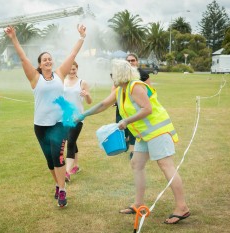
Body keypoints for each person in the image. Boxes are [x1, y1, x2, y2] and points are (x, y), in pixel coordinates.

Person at [77, 59, 190, 224]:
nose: (111, 77)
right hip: (144, 134)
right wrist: (83, 115)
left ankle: (182, 207)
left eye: (112, 74)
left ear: (120, 75)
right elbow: (102, 104)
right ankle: (138, 203)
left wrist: (127, 121)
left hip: (158, 131)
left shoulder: (135, 86)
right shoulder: (120, 90)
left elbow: (147, 109)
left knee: (166, 166)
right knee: (136, 164)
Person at [4, 24, 86, 208]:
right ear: (40, 64)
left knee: (58, 157)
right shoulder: (35, 78)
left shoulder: (59, 74)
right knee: (50, 160)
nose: (48, 61)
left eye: (50, 59)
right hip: (40, 126)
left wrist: (81, 37)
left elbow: (72, 55)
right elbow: (22, 57)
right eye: (44, 60)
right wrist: (14, 38)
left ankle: (63, 191)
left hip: (58, 124)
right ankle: (57, 184)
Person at [64, 61, 92, 182]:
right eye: (69, 70)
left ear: (77, 69)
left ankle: (67, 172)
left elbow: (89, 101)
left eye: (74, 69)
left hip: (78, 117)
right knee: (71, 140)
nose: (71, 72)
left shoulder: (82, 83)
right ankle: (76, 166)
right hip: (65, 118)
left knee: (70, 142)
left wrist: (86, 95)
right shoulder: (63, 81)